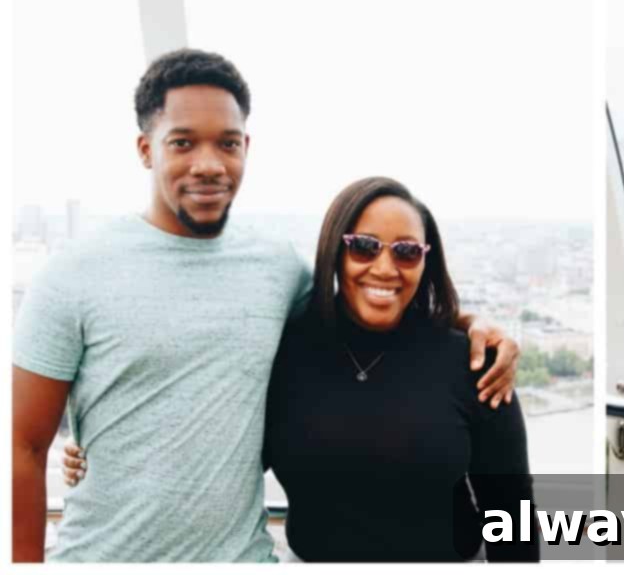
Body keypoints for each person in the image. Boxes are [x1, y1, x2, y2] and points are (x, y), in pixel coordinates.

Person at [12, 49, 518, 562]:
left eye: (227, 143)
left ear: (245, 148)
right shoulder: (71, 274)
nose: (208, 164)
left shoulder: (277, 270)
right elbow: (22, 447)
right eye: (182, 142)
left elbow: (368, 304)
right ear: (146, 149)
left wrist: (476, 326)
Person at [263, 178, 537, 561]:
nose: (385, 268)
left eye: (406, 252)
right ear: (334, 251)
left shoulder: (473, 364)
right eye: (364, 247)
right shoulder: (282, 355)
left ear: (426, 261)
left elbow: (511, 513)